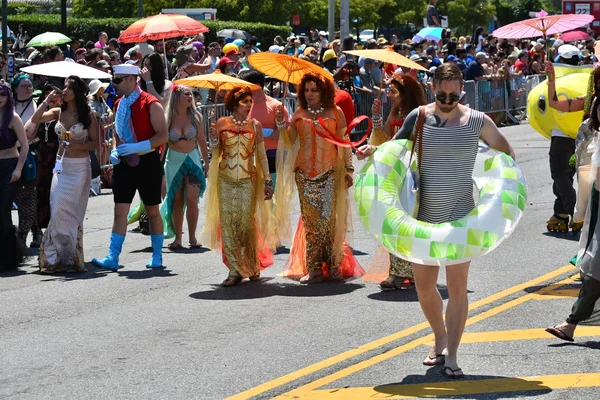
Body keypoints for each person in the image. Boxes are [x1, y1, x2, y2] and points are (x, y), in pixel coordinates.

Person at [358, 64, 514, 378]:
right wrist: (372, 150)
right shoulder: (419, 116)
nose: (446, 100)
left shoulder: (476, 121)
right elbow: (397, 150)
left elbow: (507, 155)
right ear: (432, 88)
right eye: (441, 94)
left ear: (462, 91)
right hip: (424, 215)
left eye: (453, 95)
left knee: (457, 288)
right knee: (425, 287)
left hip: (461, 216)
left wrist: (503, 193)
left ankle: (453, 353)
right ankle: (439, 337)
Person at [274, 72, 363, 283]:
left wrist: (348, 170)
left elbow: (344, 140)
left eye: (314, 89)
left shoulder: (335, 111)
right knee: (311, 222)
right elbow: (289, 141)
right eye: (306, 90)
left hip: (330, 172)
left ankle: (333, 265)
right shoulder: (299, 112)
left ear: (324, 91)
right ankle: (314, 268)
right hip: (304, 175)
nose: (309, 93)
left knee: (329, 220)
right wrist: (281, 124)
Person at [92, 64, 168, 271]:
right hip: (125, 164)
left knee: (152, 210)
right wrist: (116, 150)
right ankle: (113, 256)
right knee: (120, 210)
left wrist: (137, 146)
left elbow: (163, 135)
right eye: (114, 80)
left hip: (148, 163)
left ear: (132, 80)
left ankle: (157, 255)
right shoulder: (119, 103)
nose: (113, 84)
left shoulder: (151, 103)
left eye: (117, 80)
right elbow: (118, 134)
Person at [202, 86, 275, 286]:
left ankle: (251, 265)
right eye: (245, 102)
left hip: (247, 180)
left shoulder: (256, 125)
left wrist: (267, 180)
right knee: (228, 224)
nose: (249, 105)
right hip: (225, 179)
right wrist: (214, 138)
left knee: (246, 224)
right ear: (234, 104)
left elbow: (261, 155)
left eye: (250, 102)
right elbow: (216, 152)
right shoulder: (221, 123)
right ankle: (234, 270)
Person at [30, 76, 99, 273]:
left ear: (77, 92)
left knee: (72, 214)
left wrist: (77, 144)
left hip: (79, 168)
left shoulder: (88, 115)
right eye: (64, 87)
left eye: (69, 87)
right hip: (61, 168)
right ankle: (53, 257)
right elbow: (35, 120)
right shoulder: (58, 112)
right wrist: (46, 100)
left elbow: (94, 142)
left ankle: (68, 258)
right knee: (58, 209)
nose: (64, 90)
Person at [546, 97, 600, 342]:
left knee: (595, 270)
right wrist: (580, 213)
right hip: (597, 214)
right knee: (594, 269)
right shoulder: (593, 139)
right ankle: (570, 323)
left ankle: (570, 323)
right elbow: (588, 183)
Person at [368, 73, 427, 290]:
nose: (390, 96)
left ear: (405, 94)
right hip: (395, 172)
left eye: (394, 92)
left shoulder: (419, 114)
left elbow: (401, 142)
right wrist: (376, 117)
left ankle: (410, 272)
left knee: (408, 220)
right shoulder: (396, 112)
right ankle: (397, 271)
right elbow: (383, 137)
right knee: (393, 220)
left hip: (412, 173)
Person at [161, 84, 209, 249]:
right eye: (186, 94)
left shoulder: (196, 116)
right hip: (173, 161)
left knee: (192, 199)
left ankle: (192, 237)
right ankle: (177, 239)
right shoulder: (167, 118)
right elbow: (162, 143)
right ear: (177, 97)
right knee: (177, 200)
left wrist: (206, 162)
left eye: (191, 94)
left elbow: (202, 140)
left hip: (193, 160)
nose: (190, 97)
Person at [545, 48, 587, 233]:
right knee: (567, 176)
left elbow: (551, 104)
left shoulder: (563, 82)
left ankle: (576, 212)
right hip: (581, 137)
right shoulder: (587, 82)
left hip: (562, 136)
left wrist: (551, 80)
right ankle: (560, 214)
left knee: (560, 175)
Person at [238, 69, 290, 185]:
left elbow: (285, 134)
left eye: (245, 86)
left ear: (256, 86)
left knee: (272, 196)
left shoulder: (276, 106)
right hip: (250, 156)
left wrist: (264, 132)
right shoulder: (242, 106)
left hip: (272, 156)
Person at [11, 73, 43, 248]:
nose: (28, 88)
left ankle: (22, 235)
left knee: (28, 194)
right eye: (24, 86)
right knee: (21, 196)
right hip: (10, 153)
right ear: (16, 88)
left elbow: (32, 131)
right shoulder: (9, 104)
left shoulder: (36, 104)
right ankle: (36, 231)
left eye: (30, 85)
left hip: (31, 152)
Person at [0, 81, 29, 271]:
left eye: (3, 94)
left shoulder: (13, 118)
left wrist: (18, 169)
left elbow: (25, 145)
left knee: (4, 209)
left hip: (10, 165)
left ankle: (10, 256)